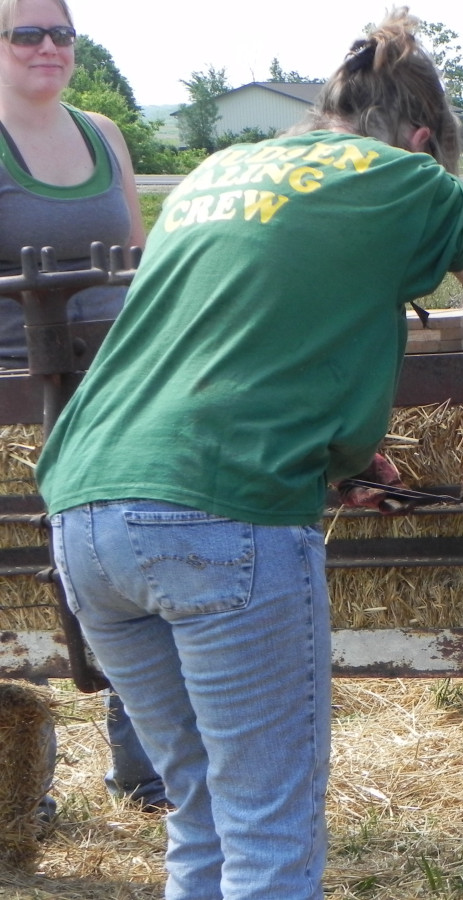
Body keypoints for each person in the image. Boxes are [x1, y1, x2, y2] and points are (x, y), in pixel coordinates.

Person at [34, 8, 463, 899]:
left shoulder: (219, 171)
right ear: (423, 140)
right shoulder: (412, 180)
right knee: (270, 833)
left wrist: (340, 460)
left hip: (84, 509)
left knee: (200, 815)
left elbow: (232, 341)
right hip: (224, 518)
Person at [0, 0, 169, 816]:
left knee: (134, 576)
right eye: (27, 33)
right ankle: (21, 794)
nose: (49, 47)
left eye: (62, 33)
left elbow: (138, 258)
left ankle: (147, 776)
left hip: (116, 393)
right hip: (11, 399)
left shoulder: (103, 134)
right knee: (20, 595)